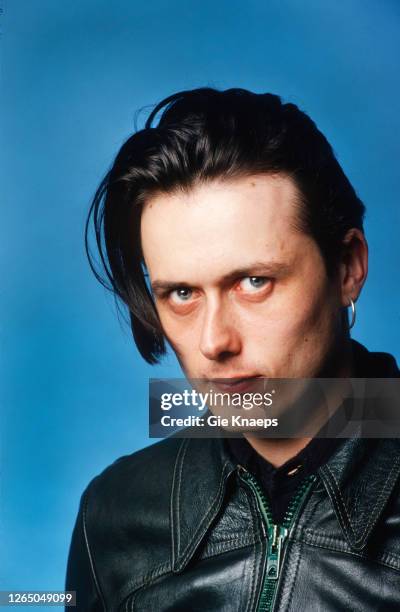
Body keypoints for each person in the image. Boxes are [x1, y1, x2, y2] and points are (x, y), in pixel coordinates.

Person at [66, 87, 400, 611]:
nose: (214, 341)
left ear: (348, 268)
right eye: (182, 294)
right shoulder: (113, 516)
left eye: (253, 282)